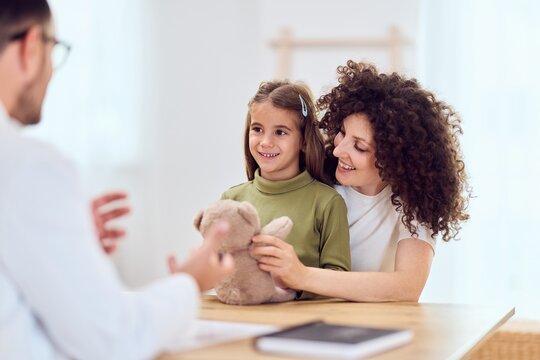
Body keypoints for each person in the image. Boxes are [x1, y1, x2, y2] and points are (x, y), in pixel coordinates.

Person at [0, 1, 234, 359]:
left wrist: (65, 239)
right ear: (31, 47)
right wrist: (190, 283)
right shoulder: (27, 166)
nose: (51, 70)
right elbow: (113, 340)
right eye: (52, 48)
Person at [251, 61, 470, 302]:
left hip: (371, 324)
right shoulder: (319, 183)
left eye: (360, 147)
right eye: (342, 133)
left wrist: (302, 276)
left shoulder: (414, 205)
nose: (337, 151)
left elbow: (407, 287)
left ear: (393, 160)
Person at [222, 80, 351, 299]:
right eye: (257, 129)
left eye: (280, 132)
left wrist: (293, 283)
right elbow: (218, 266)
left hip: (303, 323)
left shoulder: (327, 202)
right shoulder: (231, 199)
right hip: (241, 316)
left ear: (303, 140)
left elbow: (339, 278)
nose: (265, 142)